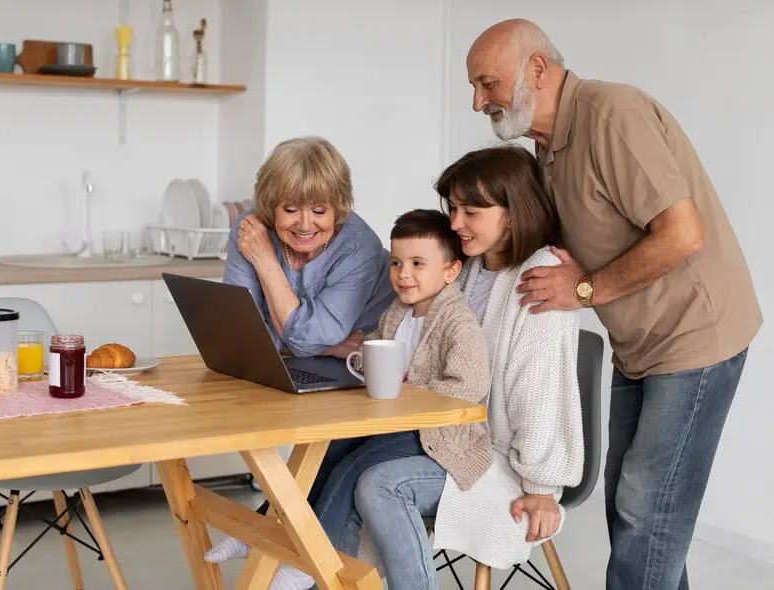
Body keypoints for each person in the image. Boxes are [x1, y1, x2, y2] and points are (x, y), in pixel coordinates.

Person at [466, 19, 763, 589]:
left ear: (536, 69)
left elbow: (682, 234)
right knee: (633, 509)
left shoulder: (611, 117)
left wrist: (587, 290)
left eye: (487, 83)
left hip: (695, 335)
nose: (479, 101)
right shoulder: (545, 146)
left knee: (646, 511)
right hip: (637, 342)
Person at [209, 209, 492, 590]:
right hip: (397, 426)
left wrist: (410, 393)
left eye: (417, 264)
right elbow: (374, 351)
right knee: (326, 449)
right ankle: (264, 528)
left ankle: (313, 562)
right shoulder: (399, 312)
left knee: (350, 468)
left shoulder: (456, 321)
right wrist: (353, 354)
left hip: (437, 439)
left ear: (451, 271)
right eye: (396, 262)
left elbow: (470, 387)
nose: (403, 274)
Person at [353, 145, 584, 590]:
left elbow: (538, 391)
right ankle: (312, 575)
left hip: (500, 460)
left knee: (379, 484)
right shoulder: (468, 269)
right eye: (453, 208)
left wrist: (539, 487)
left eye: (471, 211)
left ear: (513, 214)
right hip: (446, 435)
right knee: (342, 456)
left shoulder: (541, 277)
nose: (455, 223)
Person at [221, 135, 394, 359]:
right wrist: (330, 348)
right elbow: (241, 335)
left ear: (338, 207)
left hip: (361, 365)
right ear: (270, 205)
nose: (304, 225)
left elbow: (309, 339)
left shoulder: (360, 247)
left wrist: (266, 264)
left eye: (319, 211)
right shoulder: (251, 231)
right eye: (291, 209)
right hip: (304, 361)